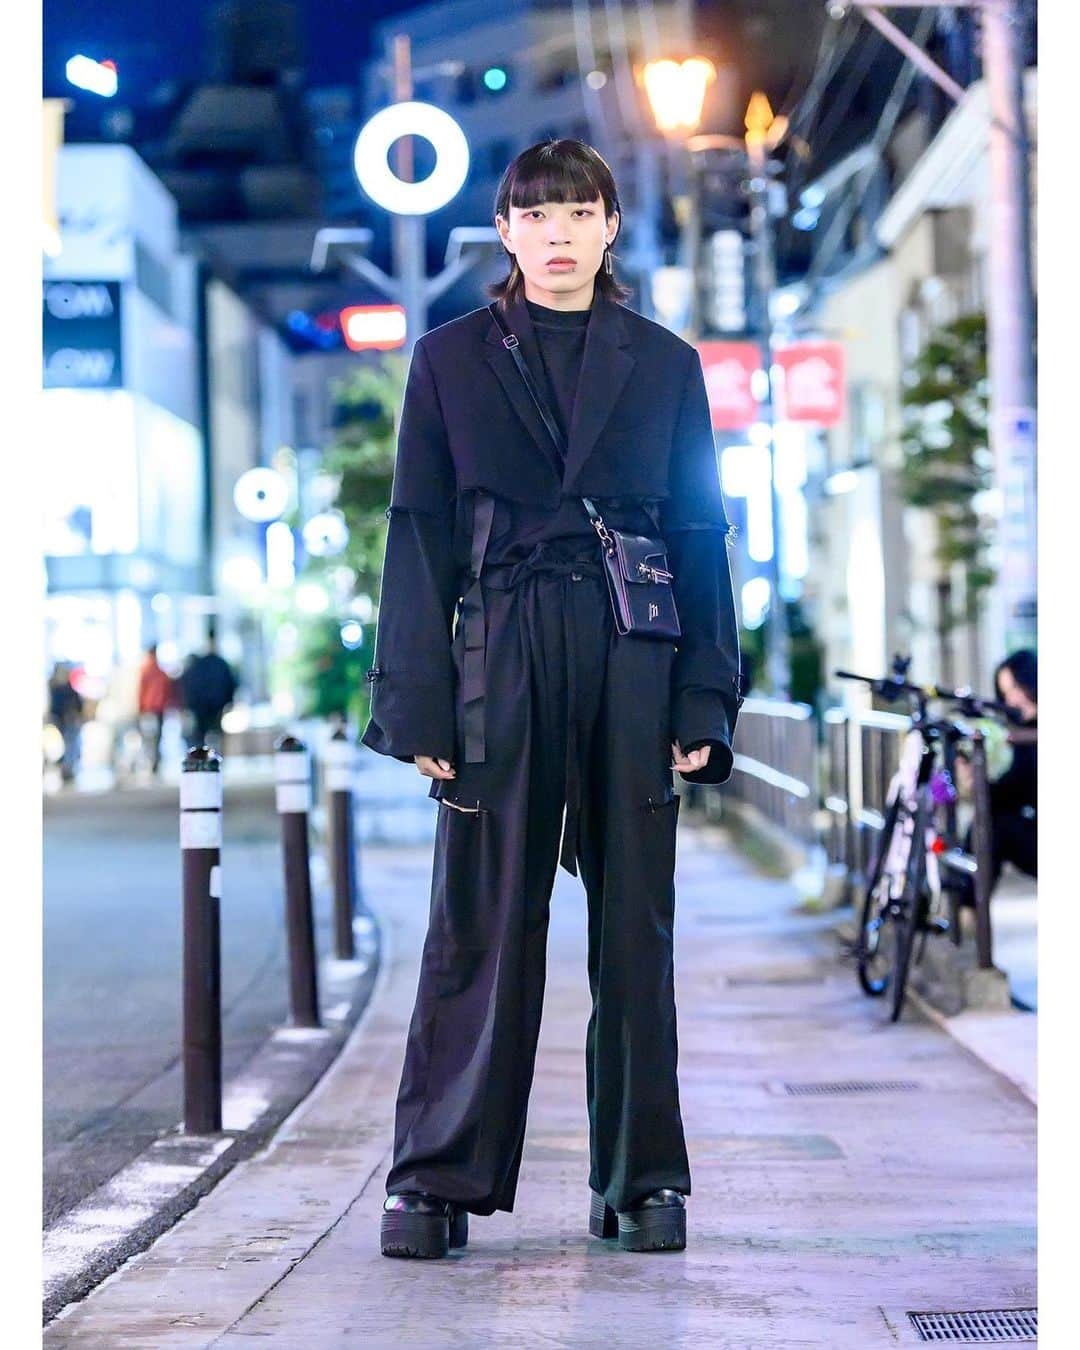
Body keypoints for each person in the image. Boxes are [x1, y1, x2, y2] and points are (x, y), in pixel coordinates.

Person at [361, 140, 742, 1259]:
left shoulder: (666, 364)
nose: (561, 232)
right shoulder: (449, 359)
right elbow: (419, 534)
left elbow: (700, 534)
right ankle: (435, 1181)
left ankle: (641, 1180)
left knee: (637, 931)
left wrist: (705, 701)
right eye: (540, 215)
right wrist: (418, 702)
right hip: (501, 654)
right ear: (509, 231)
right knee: (479, 924)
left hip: (636, 647)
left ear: (612, 226)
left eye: (582, 211)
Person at [956, 648, 1037, 899]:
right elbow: (1010, 791)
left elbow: (1015, 786)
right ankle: (966, 911)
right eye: (1005, 693)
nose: (1010, 700)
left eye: (1015, 688)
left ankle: (968, 913)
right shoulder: (1016, 734)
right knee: (988, 823)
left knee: (992, 824)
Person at [180, 635, 238, 751]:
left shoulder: (199, 664)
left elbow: (190, 685)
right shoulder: (221, 664)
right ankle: (215, 757)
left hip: (203, 707)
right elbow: (231, 684)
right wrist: (228, 702)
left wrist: (190, 705)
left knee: (201, 735)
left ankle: (203, 758)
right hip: (215, 706)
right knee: (215, 733)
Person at [137, 644, 175, 775]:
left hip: (148, 709)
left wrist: (140, 707)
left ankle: (150, 760)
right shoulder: (160, 671)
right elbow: (167, 690)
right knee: (157, 737)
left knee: (148, 736)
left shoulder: (146, 670)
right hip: (159, 709)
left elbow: (141, 690)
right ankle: (155, 761)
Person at [47, 663, 84, 784]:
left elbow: (77, 703)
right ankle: (66, 767)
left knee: (70, 744)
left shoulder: (62, 687)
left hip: (68, 720)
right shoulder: (57, 687)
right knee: (67, 744)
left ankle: (67, 767)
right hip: (63, 720)